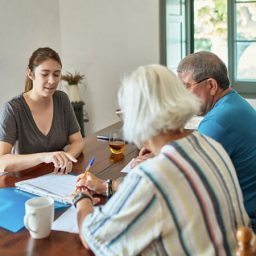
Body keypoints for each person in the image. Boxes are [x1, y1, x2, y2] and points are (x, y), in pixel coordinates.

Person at [73, 65, 249, 255]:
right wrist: (108, 187)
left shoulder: (151, 177)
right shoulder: (210, 145)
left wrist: (82, 199)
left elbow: (94, 237)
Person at [177, 51, 256, 230]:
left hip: (244, 229)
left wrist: (111, 186)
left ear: (211, 85)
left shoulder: (218, 121)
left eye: (186, 86)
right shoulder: (233, 103)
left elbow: (182, 183)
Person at [0, 47, 84, 174]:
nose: (52, 81)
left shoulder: (62, 99)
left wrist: (66, 158)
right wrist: (44, 157)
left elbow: (78, 141)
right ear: (30, 74)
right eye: (45, 74)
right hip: (22, 181)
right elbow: (2, 162)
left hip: (56, 177)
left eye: (56, 74)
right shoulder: (13, 109)